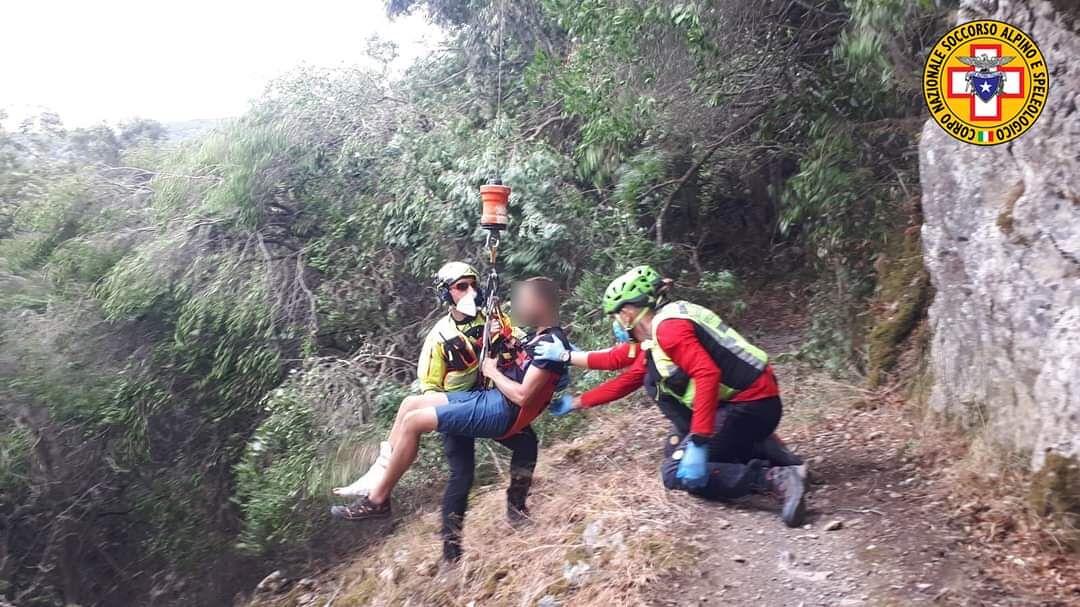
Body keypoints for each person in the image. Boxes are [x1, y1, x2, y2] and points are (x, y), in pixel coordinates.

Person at [534, 266, 807, 527]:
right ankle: (769, 450)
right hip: (756, 402)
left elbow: (707, 374)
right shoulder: (662, 329)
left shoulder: (668, 330)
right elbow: (627, 375)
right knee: (673, 446)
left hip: (751, 406)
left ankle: (774, 478)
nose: (615, 324)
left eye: (614, 316)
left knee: (674, 472)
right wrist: (578, 400)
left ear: (627, 313)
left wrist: (699, 440)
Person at [331, 276, 571, 537]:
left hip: (504, 409)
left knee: (417, 425)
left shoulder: (550, 344)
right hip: (485, 398)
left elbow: (525, 395)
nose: (517, 305)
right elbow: (518, 350)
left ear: (541, 303)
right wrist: (499, 339)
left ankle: (378, 500)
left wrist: (491, 370)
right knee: (410, 404)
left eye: (523, 300)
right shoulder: (534, 337)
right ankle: (380, 473)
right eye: (461, 286)